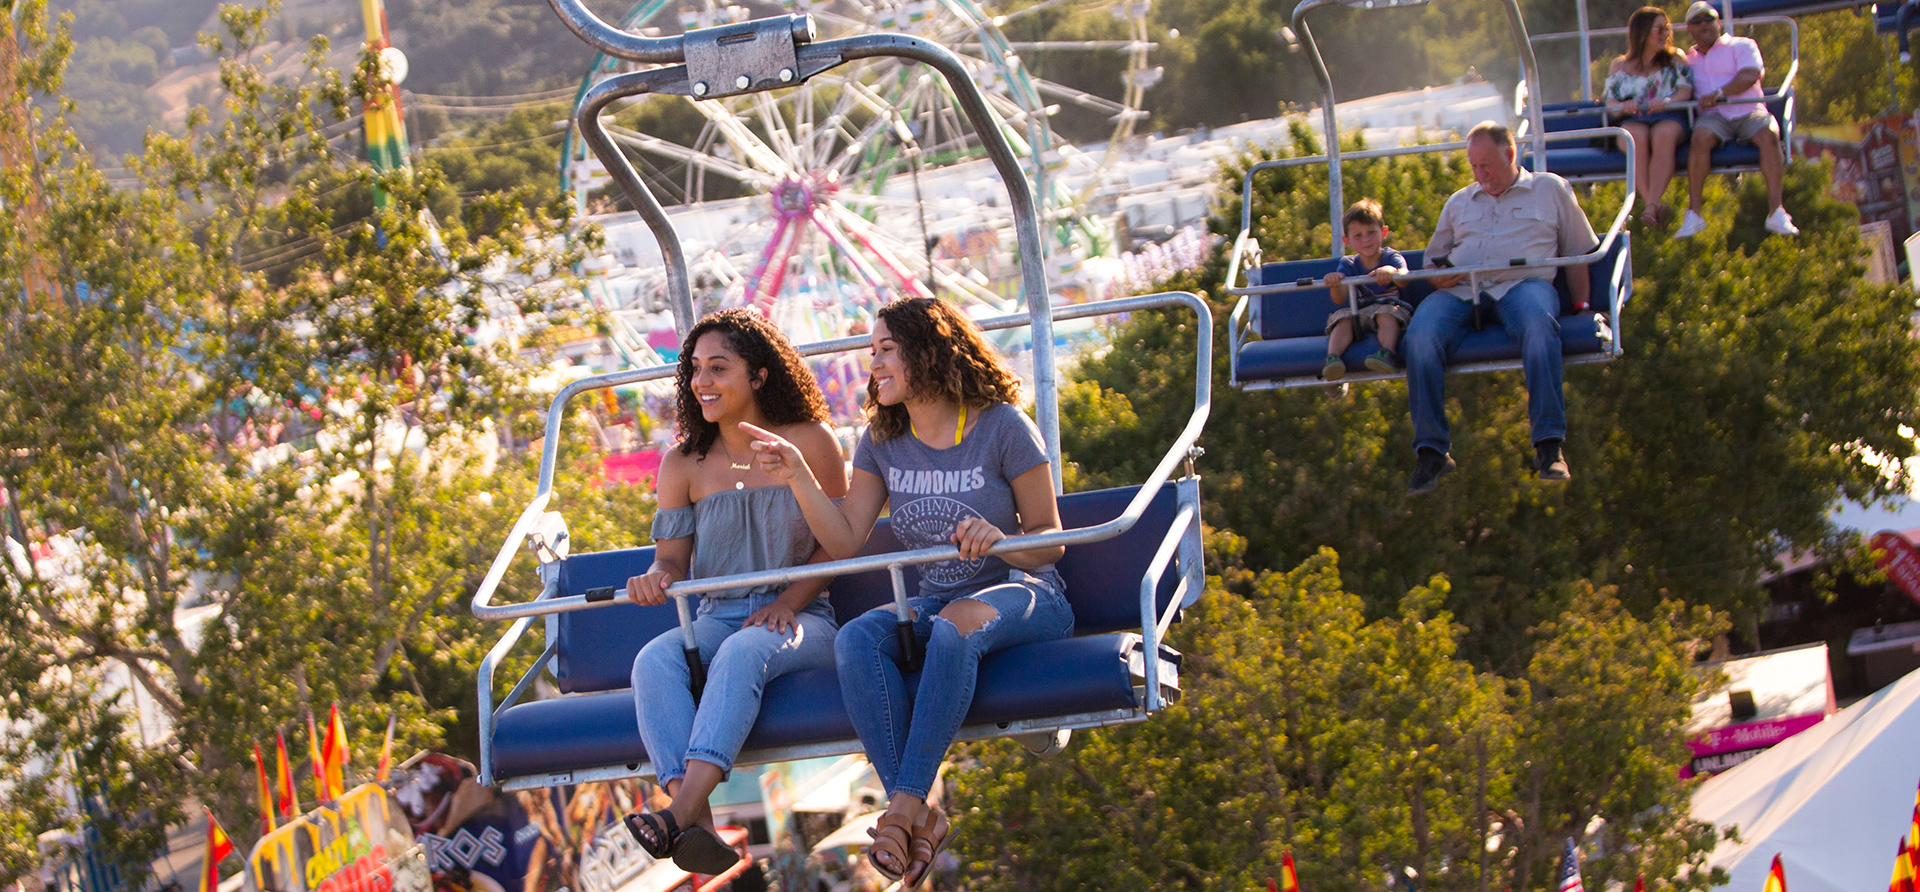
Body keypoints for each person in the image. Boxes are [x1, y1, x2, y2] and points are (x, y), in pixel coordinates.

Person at [742, 296, 1071, 887]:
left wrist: (997, 540)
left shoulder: (1001, 426)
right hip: (940, 601)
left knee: (953, 626)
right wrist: (797, 475)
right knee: (858, 639)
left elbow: (1050, 542)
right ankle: (915, 810)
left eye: (887, 350)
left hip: (1024, 592)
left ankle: (901, 814)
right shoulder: (883, 439)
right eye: (872, 353)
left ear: (929, 351)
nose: (875, 365)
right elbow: (844, 541)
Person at [622, 309, 848, 875]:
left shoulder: (809, 443)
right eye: (695, 369)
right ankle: (691, 819)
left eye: (718, 368)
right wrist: (657, 577)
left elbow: (839, 544)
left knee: (744, 649)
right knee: (654, 660)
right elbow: (672, 560)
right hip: (718, 617)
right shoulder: (683, 465)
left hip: (806, 617)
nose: (702, 382)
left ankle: (677, 817)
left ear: (760, 375)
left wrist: (788, 603)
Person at [1404, 121, 1595, 496]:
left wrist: (1583, 306)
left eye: (1487, 165)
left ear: (1510, 154)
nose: (1481, 174)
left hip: (1523, 286)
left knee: (1540, 328)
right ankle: (1431, 452)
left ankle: (1548, 445)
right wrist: (1436, 277)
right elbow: (1432, 262)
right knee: (1420, 337)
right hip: (1462, 290)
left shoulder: (1550, 189)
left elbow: (1577, 253)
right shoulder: (1459, 202)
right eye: (1474, 167)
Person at [1676, 0, 1798, 238]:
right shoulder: (1687, 61)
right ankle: (1694, 213)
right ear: (1689, 28)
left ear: (1718, 22)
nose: (1705, 25)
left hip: (1748, 110)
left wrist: (1719, 94)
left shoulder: (1742, 45)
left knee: (1769, 134)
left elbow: (1750, 75)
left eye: (1709, 18)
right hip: (1713, 118)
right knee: (1700, 138)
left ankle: (1777, 210)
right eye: (1697, 21)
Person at [1603, 6, 1694, 228]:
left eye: (1667, 29)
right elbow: (1610, 103)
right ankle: (1652, 203)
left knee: (1663, 134)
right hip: (1634, 120)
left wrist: (1668, 102)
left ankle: (1649, 206)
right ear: (1642, 32)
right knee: (1635, 136)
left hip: (1669, 117)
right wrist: (1625, 107)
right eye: (1659, 29)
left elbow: (1685, 91)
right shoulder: (1620, 65)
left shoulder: (1675, 60)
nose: (1665, 34)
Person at [1320, 198, 1411, 380]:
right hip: (1359, 314)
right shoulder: (1348, 264)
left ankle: (1387, 353)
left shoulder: (1391, 256)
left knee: (1386, 313)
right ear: (1347, 241)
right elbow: (1339, 299)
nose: (1366, 240)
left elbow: (1405, 278)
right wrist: (1335, 284)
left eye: (1371, 232)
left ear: (1383, 232)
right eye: (1358, 236)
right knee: (1343, 316)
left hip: (1388, 309)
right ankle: (1333, 358)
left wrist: (1392, 272)